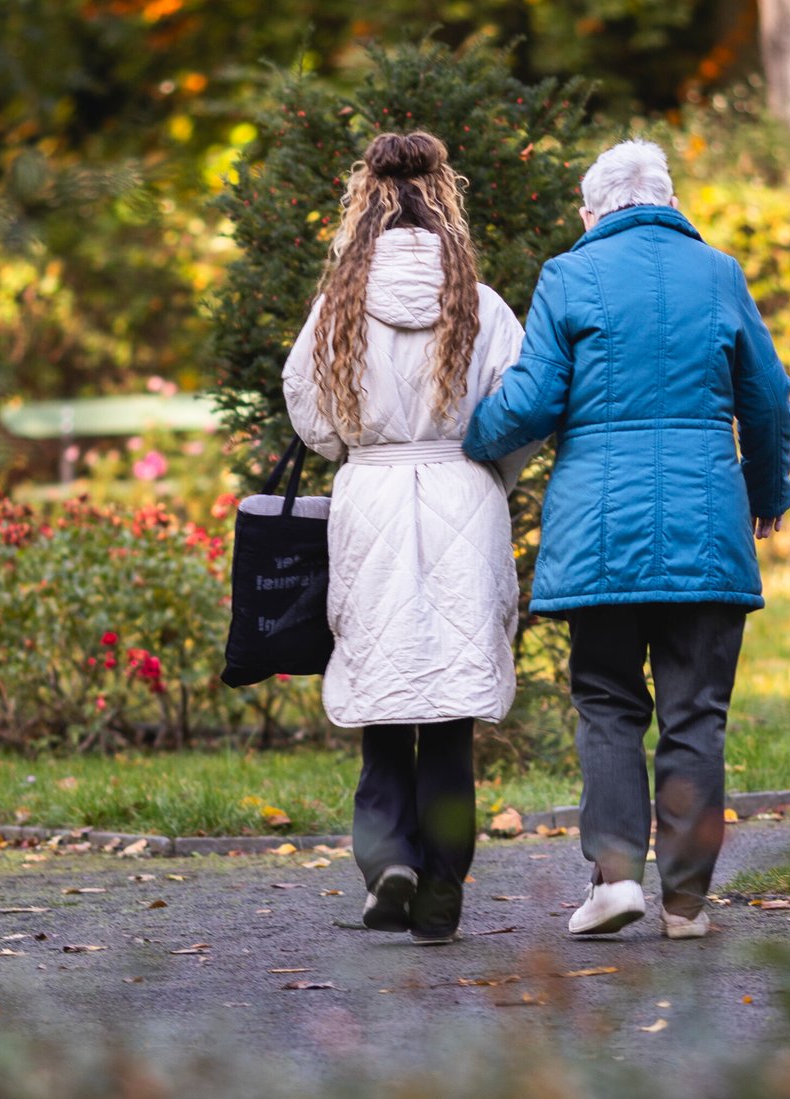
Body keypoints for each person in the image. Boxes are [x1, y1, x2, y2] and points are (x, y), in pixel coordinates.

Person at [462, 139, 790, 941]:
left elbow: (534, 401)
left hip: (600, 531)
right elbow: (770, 399)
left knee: (609, 705)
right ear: (669, 201)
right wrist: (767, 493)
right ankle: (685, 904)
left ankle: (615, 879)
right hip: (706, 527)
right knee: (696, 715)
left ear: (592, 210)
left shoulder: (569, 276)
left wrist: (466, 444)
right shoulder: (718, 273)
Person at [283, 131, 538, 945]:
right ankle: (443, 876)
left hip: (374, 496)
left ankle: (388, 857)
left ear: (366, 200)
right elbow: (517, 409)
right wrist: (488, 469)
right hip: (461, 489)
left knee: (384, 691)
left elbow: (312, 416)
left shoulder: (338, 307)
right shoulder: (481, 303)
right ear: (443, 198)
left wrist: (362, 447)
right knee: (453, 701)